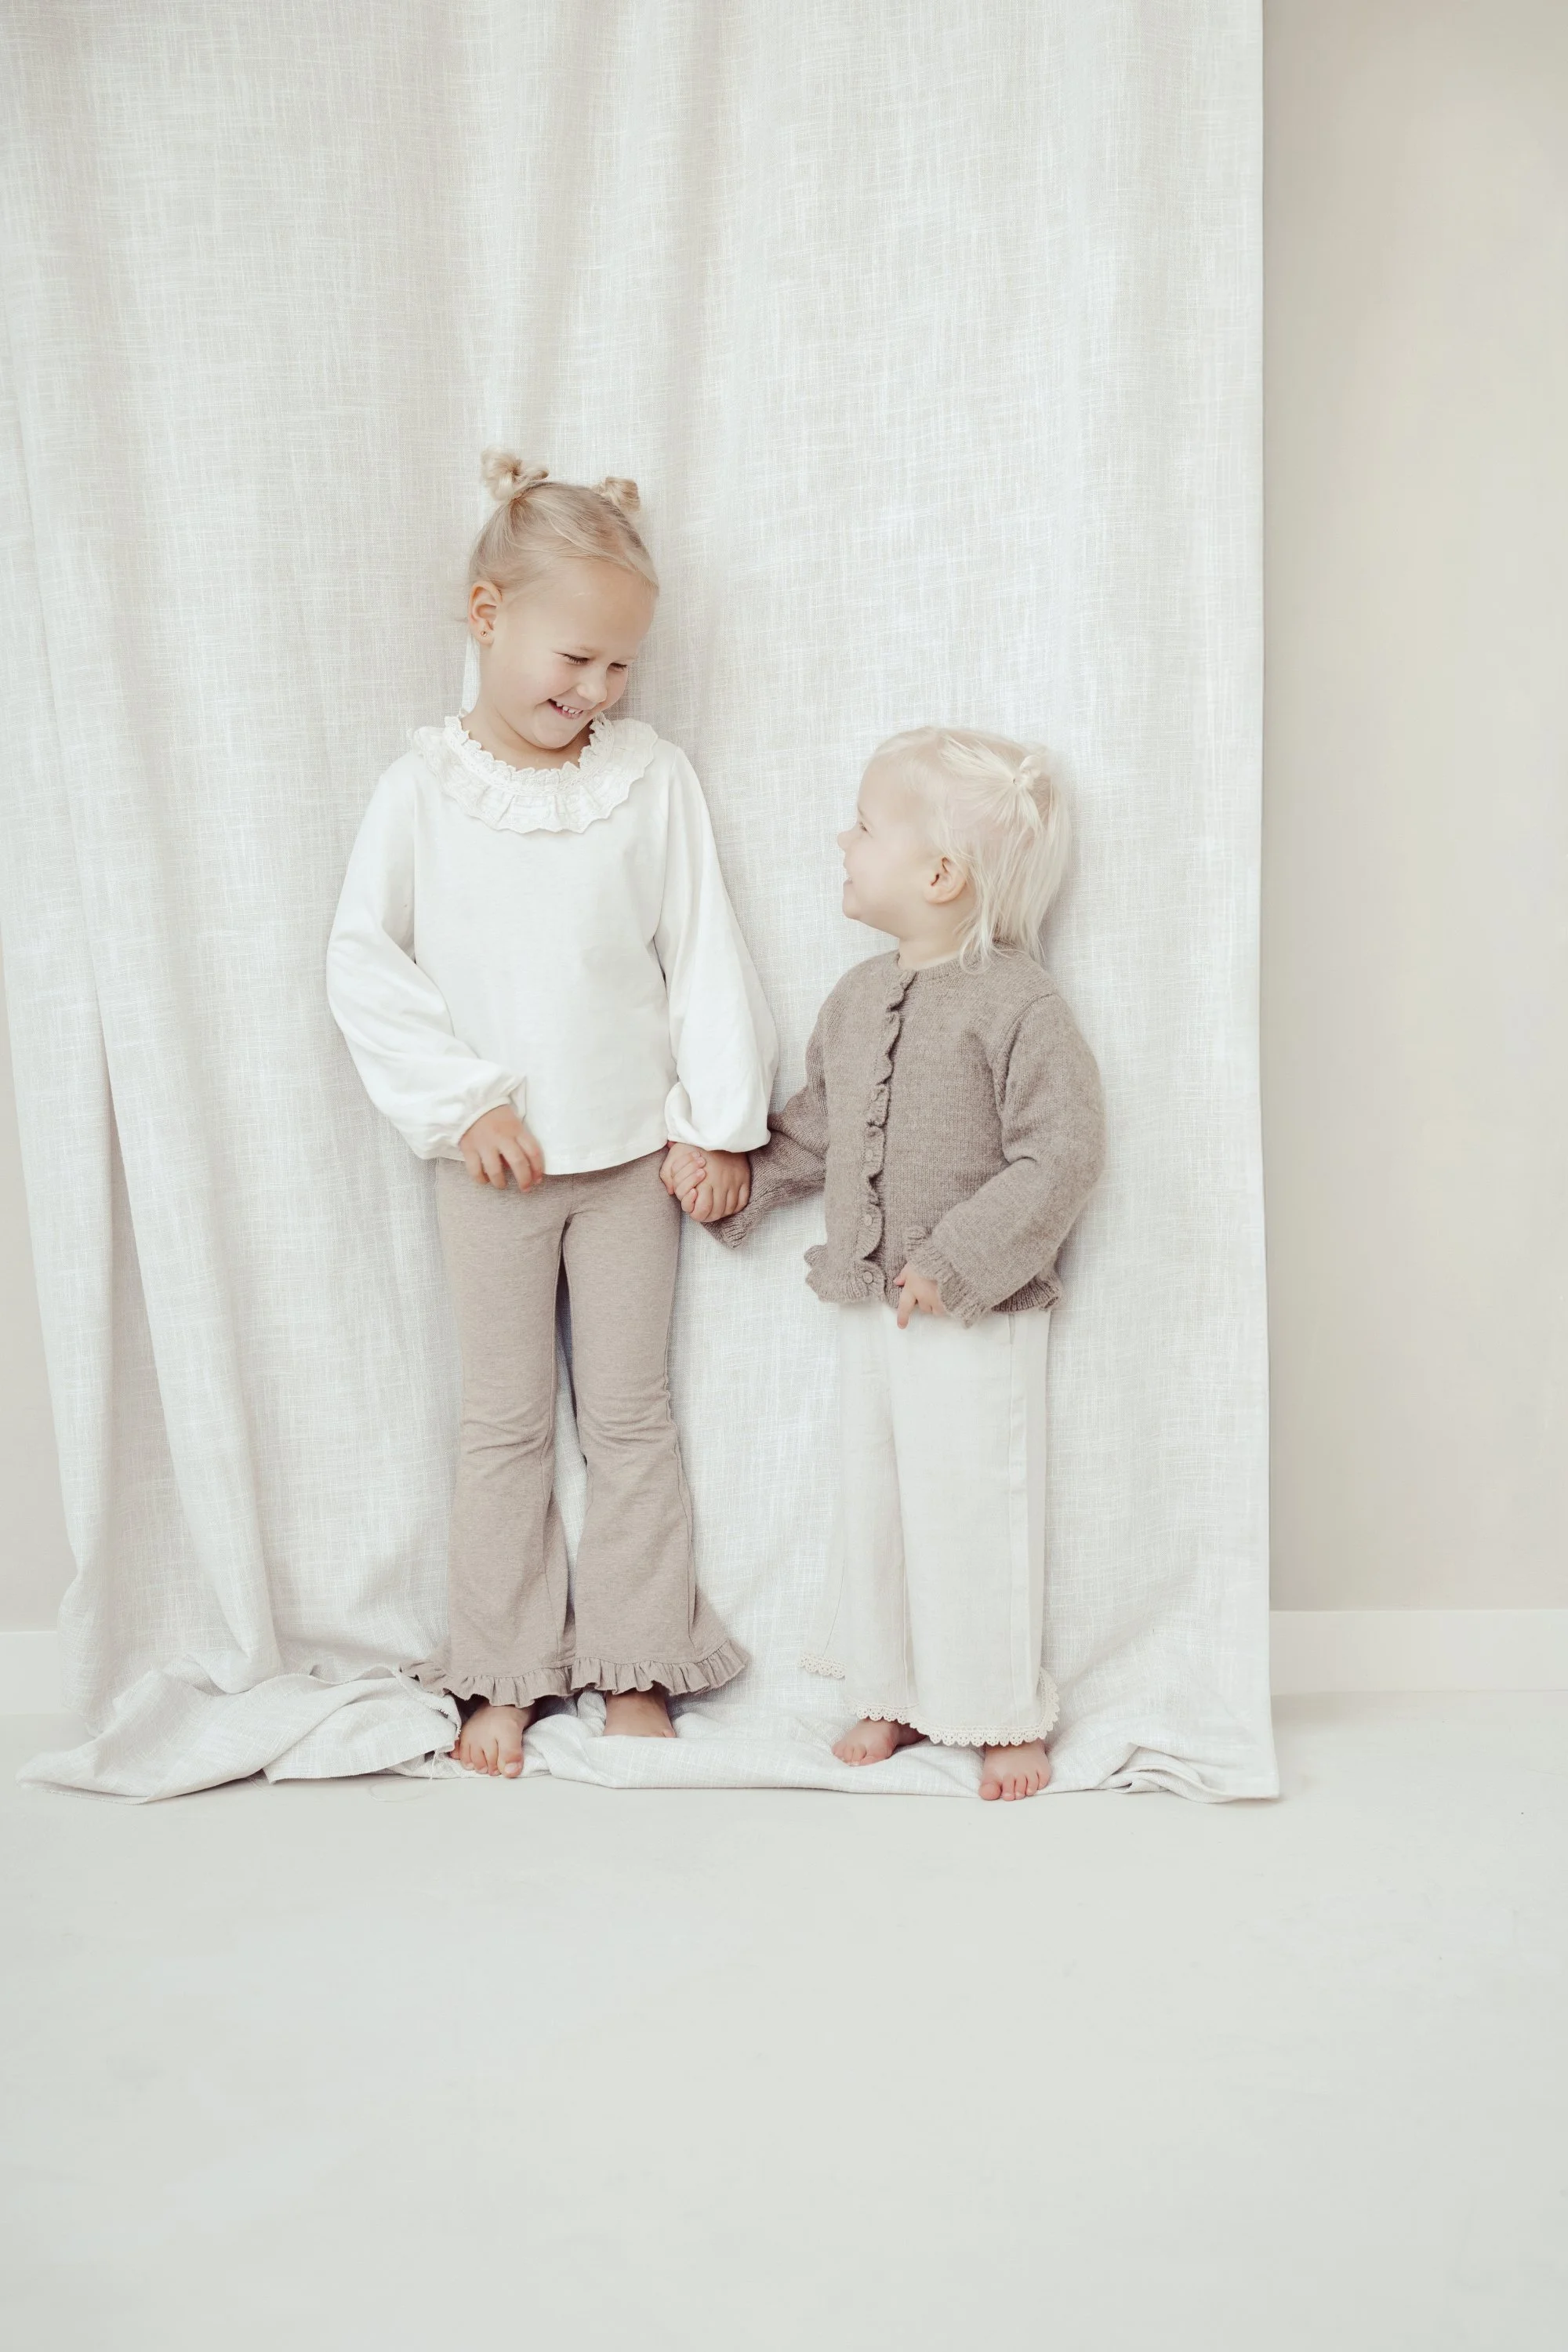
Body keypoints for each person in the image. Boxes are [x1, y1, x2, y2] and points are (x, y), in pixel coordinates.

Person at [328, 452, 777, 1777]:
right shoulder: (420, 793)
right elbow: (364, 964)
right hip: (498, 1177)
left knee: (632, 1419)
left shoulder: (651, 781)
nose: (593, 692)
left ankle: (636, 1659)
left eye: (618, 670)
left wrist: (717, 1123)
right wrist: (464, 1107)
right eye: (573, 659)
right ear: (486, 616)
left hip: (634, 1159)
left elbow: (703, 956)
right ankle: (503, 1670)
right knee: (506, 1424)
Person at [667, 728, 1104, 1800]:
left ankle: (999, 1708)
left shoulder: (1018, 1002)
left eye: (864, 825)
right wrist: (740, 1177)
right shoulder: (859, 1001)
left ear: (942, 874)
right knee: (878, 1504)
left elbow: (1062, 1154)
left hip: (974, 1314)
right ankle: (892, 1690)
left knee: (973, 1506)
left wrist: (957, 1263)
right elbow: (822, 1130)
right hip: (871, 1310)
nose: (842, 839)